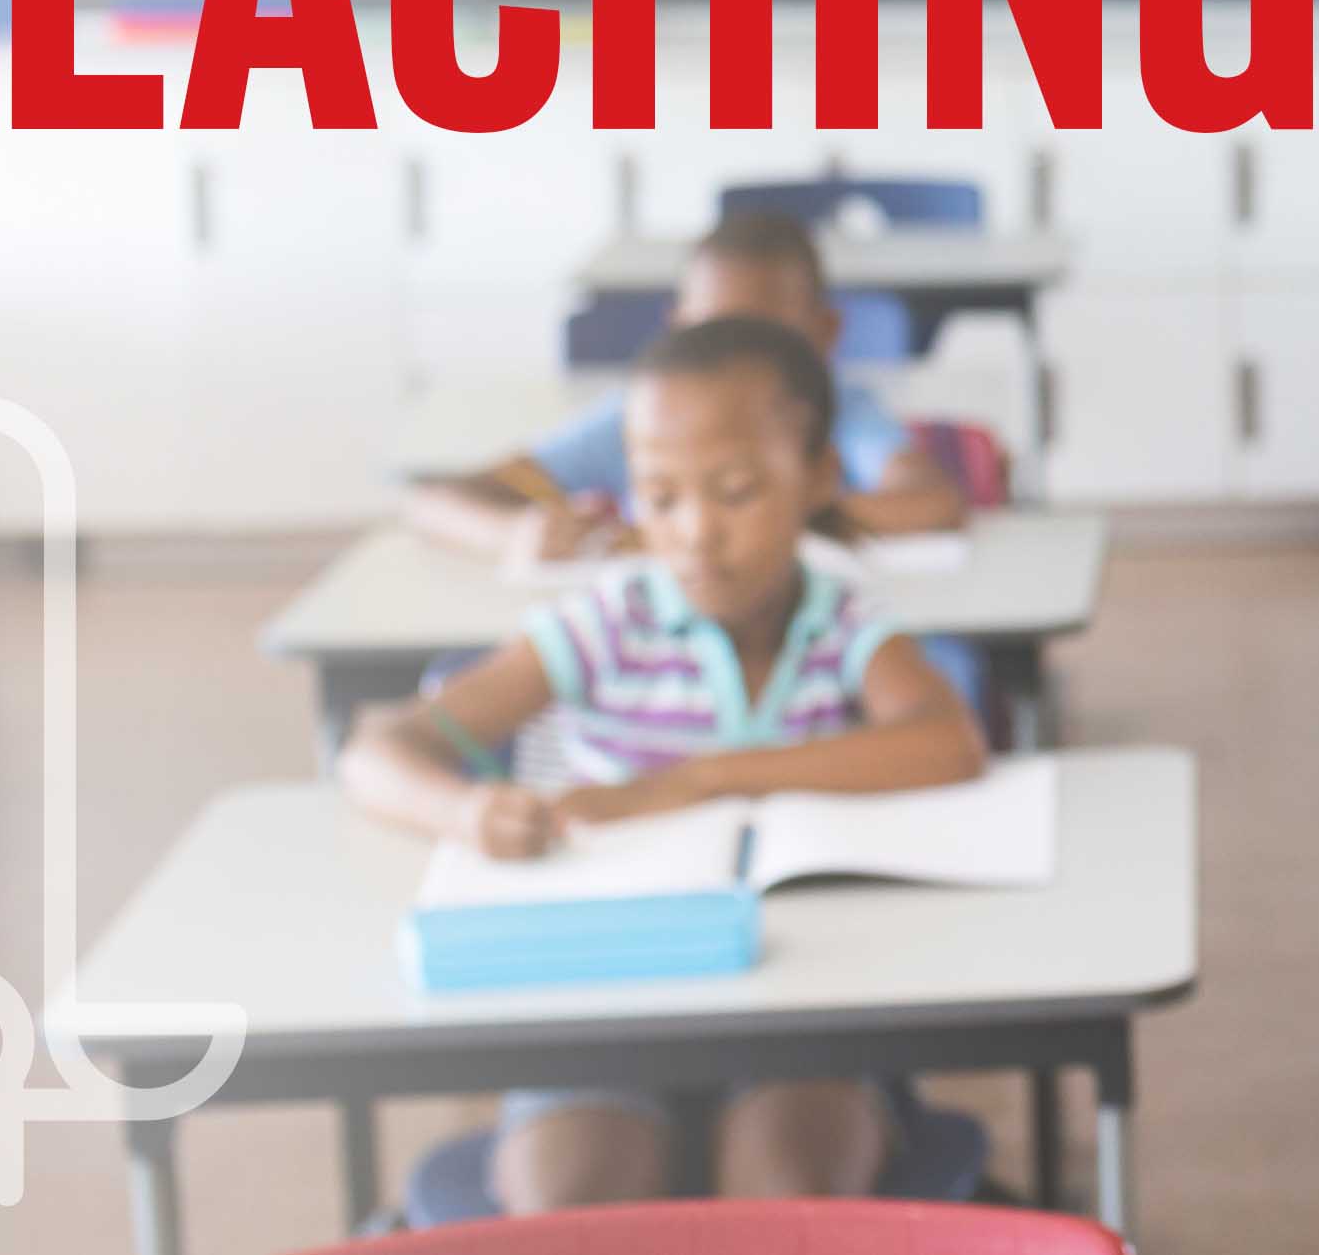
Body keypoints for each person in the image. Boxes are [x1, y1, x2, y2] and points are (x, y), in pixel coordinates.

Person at [338, 314, 988, 1210]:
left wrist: (699, 780)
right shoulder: (606, 622)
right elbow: (380, 755)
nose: (694, 533)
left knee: (786, 1204)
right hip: (595, 1012)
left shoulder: (842, 620)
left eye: (735, 490)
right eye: (660, 495)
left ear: (818, 479)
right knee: (578, 1209)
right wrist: (465, 812)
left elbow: (946, 741)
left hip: (809, 1028)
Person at [404, 210, 972, 562]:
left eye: (763, 336)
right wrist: (511, 534)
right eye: (714, 334)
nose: (737, 359)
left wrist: (753, 531)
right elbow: (434, 503)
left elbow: (930, 500)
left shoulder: (836, 410)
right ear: (679, 329)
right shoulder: (640, 419)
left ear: (824, 333)